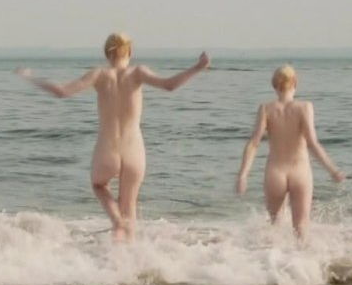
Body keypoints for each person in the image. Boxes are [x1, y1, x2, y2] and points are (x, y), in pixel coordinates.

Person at [16, 33, 209, 241]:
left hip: (107, 150)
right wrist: (197, 67)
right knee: (129, 205)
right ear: (130, 51)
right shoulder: (138, 72)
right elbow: (169, 85)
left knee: (99, 186)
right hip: (134, 151)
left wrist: (30, 77)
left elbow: (62, 91)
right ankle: (127, 252)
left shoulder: (99, 74)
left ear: (106, 53)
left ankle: (116, 221)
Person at [234, 66, 344, 237]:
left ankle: (274, 254)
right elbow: (312, 144)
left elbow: (254, 143)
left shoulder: (266, 108)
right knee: (301, 227)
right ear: (295, 83)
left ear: (274, 85)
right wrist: (332, 170)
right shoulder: (304, 107)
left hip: (275, 173)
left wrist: (243, 175)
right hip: (300, 171)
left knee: (275, 226)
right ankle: (302, 255)